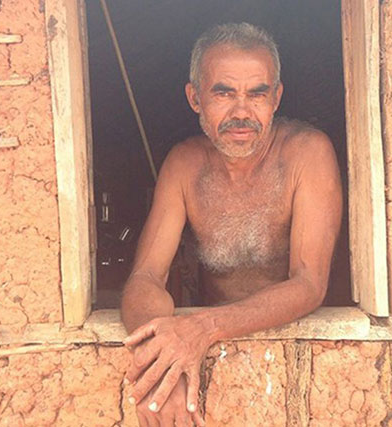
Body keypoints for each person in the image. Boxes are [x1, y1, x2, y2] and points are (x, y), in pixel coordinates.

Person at [121, 22, 342, 427]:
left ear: (276, 98)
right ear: (195, 98)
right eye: (223, 93)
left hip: (291, 366)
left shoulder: (307, 154)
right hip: (213, 367)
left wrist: (199, 330)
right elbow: (146, 276)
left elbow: (310, 283)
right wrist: (159, 358)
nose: (241, 112)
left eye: (257, 94)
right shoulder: (184, 165)